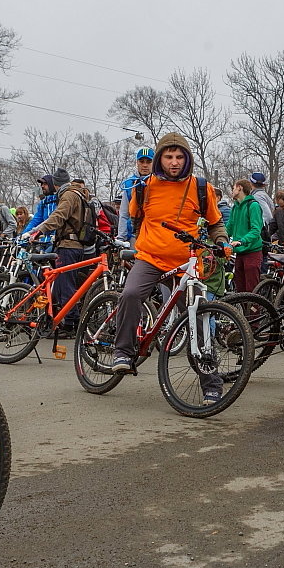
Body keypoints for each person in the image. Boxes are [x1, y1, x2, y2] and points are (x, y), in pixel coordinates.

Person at [108, 133, 229, 399]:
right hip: (151, 258)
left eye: (179, 157)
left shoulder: (200, 187)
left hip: (187, 262)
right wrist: (137, 243)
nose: (174, 162)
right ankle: (123, 352)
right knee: (130, 294)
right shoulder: (143, 187)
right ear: (159, 158)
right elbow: (136, 219)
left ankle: (211, 384)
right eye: (168, 157)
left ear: (187, 159)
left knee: (198, 318)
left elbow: (215, 223)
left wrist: (222, 242)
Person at [25, 173, 91, 330]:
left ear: (55, 184)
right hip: (73, 244)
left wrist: (38, 231)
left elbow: (59, 216)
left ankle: (70, 323)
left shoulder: (68, 195)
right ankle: (62, 318)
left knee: (64, 285)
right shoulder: (76, 194)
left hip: (68, 245)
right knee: (63, 284)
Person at [226, 179, 264, 292]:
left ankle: (254, 310)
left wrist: (242, 241)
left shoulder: (253, 206)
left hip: (252, 252)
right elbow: (229, 228)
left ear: (239, 188)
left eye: (233, 188)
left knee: (251, 289)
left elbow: (256, 230)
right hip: (240, 252)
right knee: (240, 289)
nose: (232, 191)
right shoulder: (235, 207)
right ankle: (242, 309)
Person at [115, 148, 154, 242]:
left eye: (148, 162)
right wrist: (121, 237)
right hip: (134, 234)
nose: (145, 165)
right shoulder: (129, 184)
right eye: (142, 161)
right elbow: (124, 213)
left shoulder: (159, 182)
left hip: (154, 233)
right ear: (137, 163)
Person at [23, 171, 63, 237]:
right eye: (41, 184)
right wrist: (24, 234)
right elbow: (36, 220)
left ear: (52, 184)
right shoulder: (43, 202)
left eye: (45, 184)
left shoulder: (60, 200)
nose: (42, 186)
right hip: (43, 239)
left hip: (57, 239)